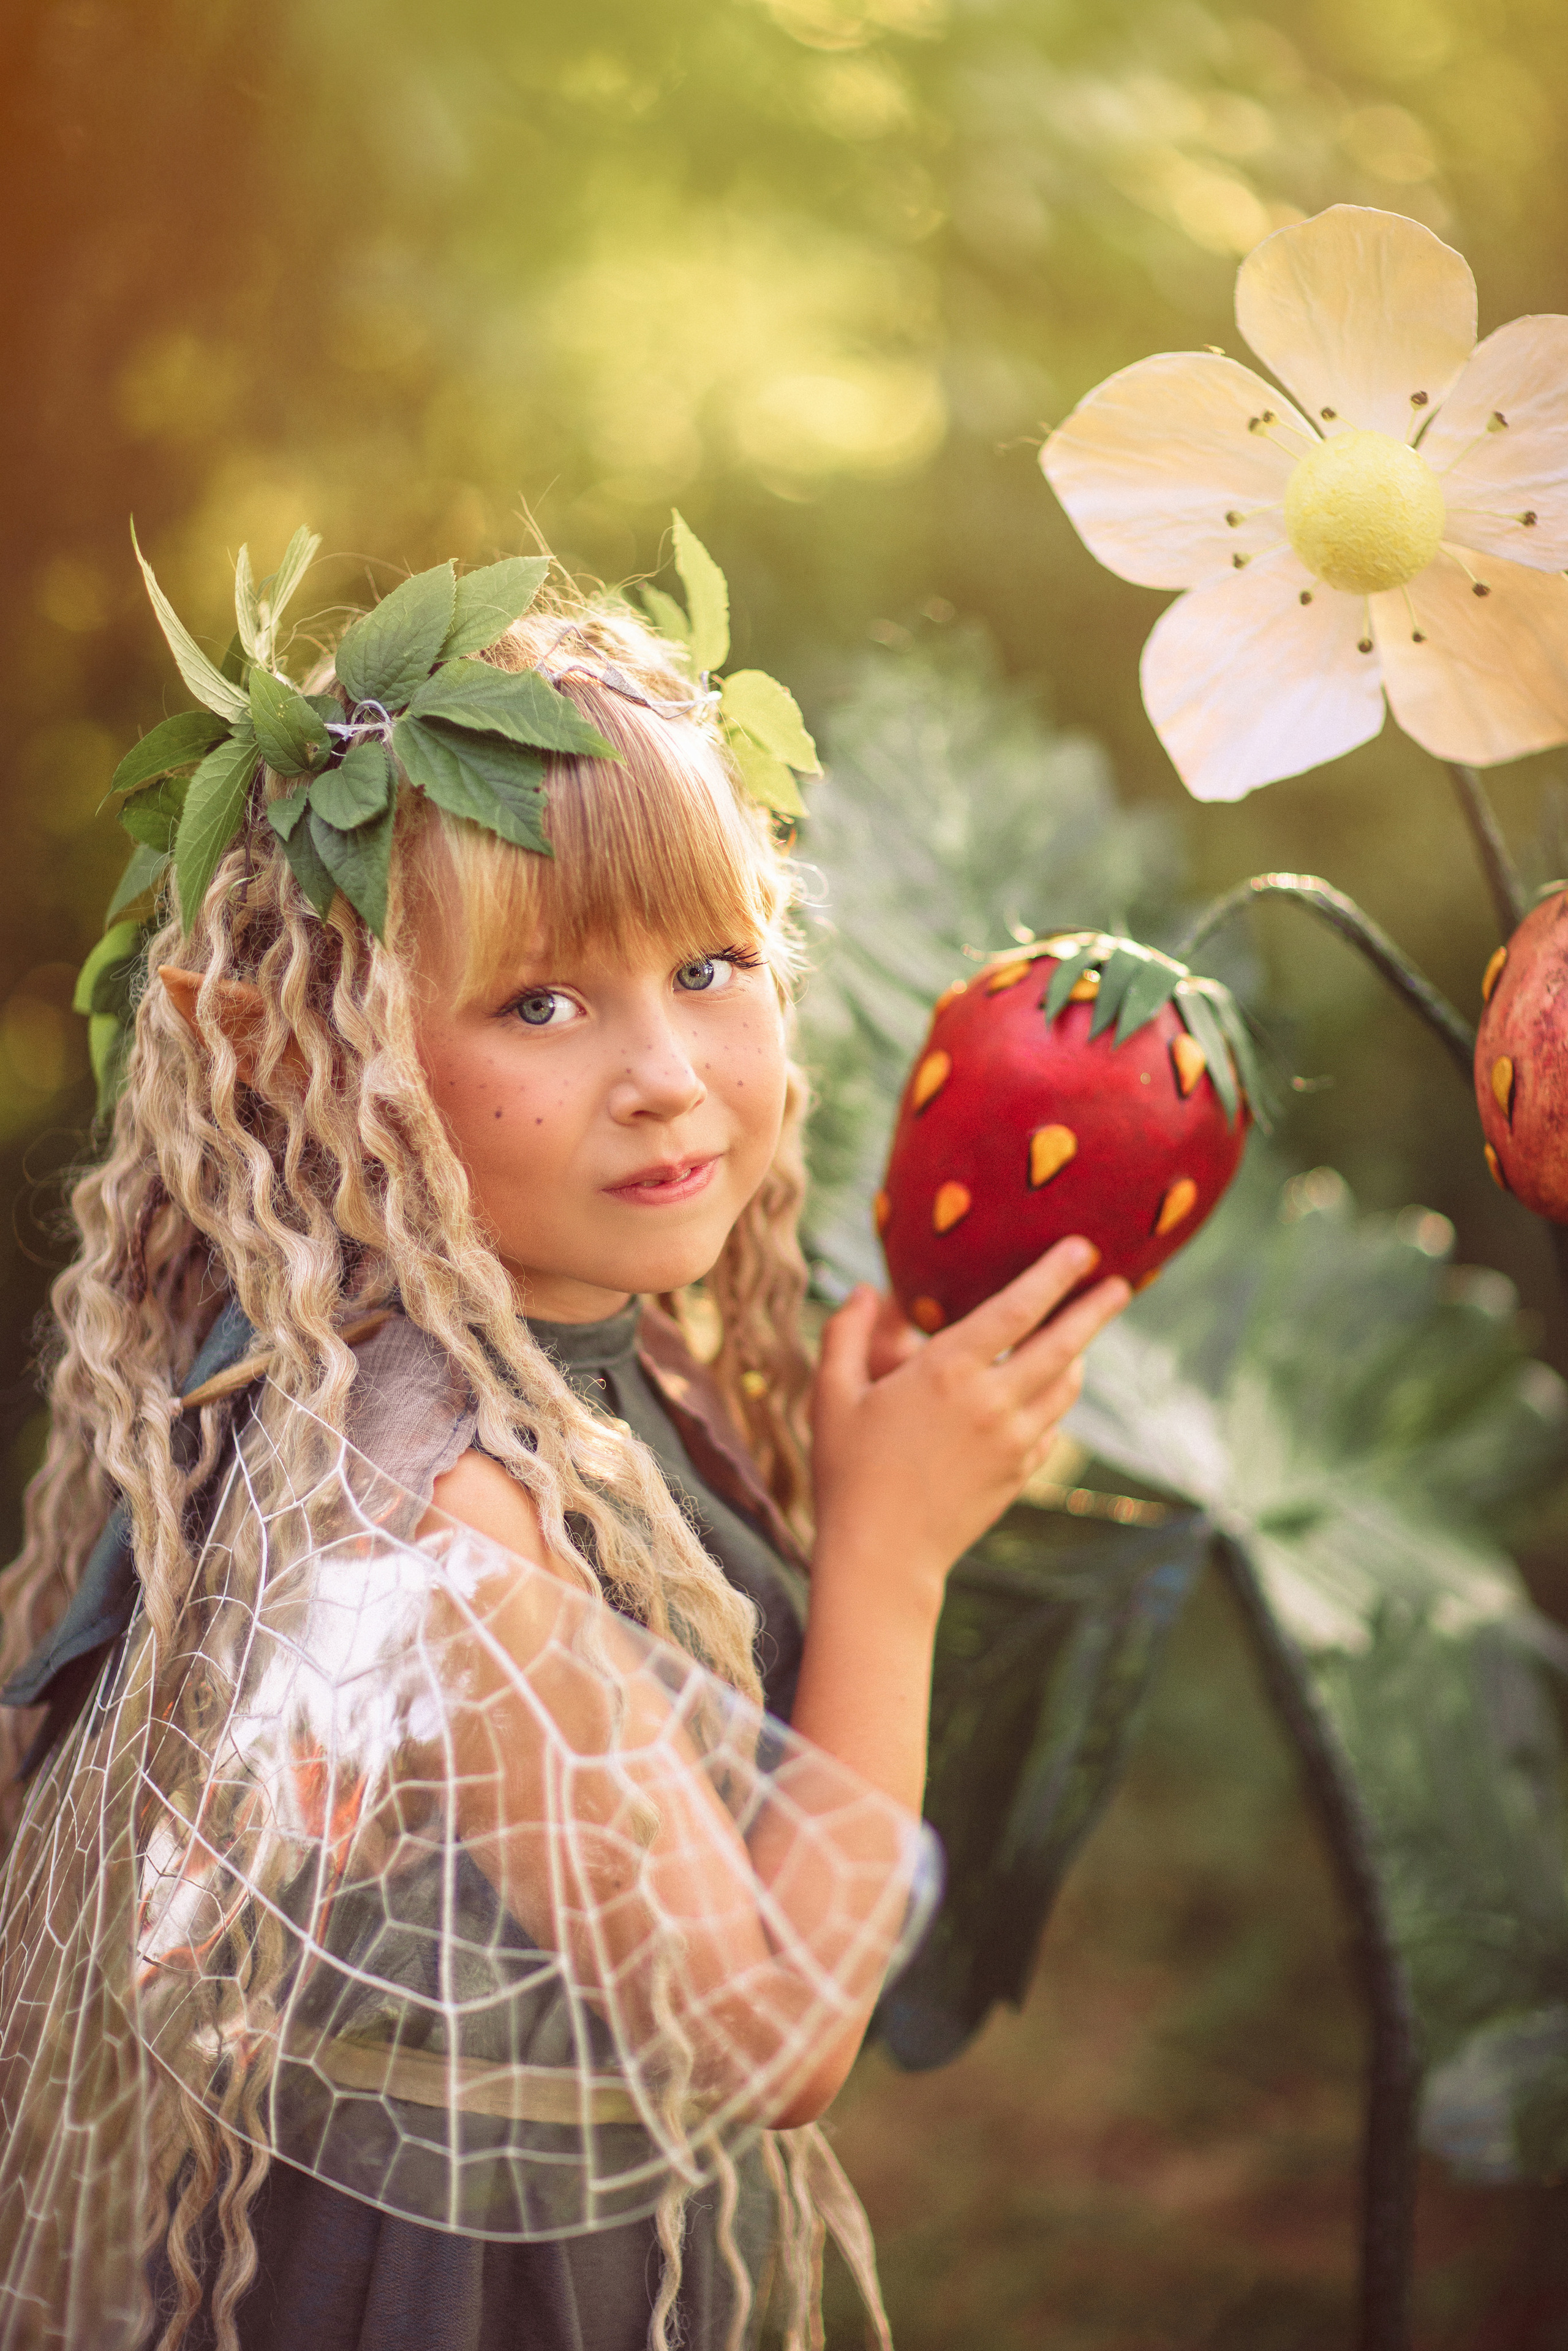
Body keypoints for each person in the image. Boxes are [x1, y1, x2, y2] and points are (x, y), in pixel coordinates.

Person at [0, 543, 1128, 2351]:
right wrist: (895, 1562)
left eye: (710, 964)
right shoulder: (444, 1514)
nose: (668, 1071)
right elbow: (774, 2039)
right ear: (312, 1062)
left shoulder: (553, 1358)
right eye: (542, 1002)